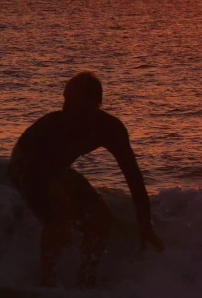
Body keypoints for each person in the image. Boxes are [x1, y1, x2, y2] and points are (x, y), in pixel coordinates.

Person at [9, 71, 161, 287]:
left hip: (57, 172)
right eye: (64, 99)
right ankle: (46, 279)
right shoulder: (52, 125)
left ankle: (86, 278)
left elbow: (133, 176)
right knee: (60, 207)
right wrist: (50, 218)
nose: (65, 106)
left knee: (101, 218)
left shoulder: (110, 129)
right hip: (24, 168)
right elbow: (32, 174)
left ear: (93, 104)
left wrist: (145, 223)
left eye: (72, 100)